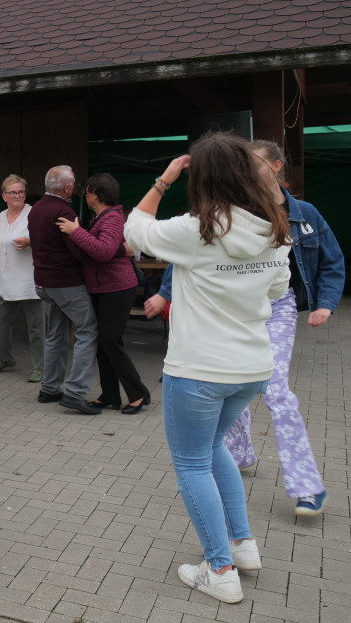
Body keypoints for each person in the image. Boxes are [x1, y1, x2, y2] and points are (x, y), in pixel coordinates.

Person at [124, 132, 290, 603]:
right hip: (251, 367)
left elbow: (134, 231)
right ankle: (242, 545)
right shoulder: (275, 227)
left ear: (205, 177)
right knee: (213, 448)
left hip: (198, 370)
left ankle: (219, 569)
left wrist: (162, 181)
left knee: (191, 464)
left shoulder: (196, 228)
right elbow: (278, 292)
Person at [220, 140, 343, 517]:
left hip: (278, 309)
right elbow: (197, 253)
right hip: (237, 311)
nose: (245, 169)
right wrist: (165, 293)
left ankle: (307, 487)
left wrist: (325, 304)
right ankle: (238, 453)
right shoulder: (234, 211)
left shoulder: (305, 214)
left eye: (253, 162)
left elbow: (332, 260)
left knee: (275, 390)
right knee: (234, 382)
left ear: (276, 165)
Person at [57, 173, 151, 414]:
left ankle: (138, 393)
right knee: (103, 343)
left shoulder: (111, 218)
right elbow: (110, 249)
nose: (84, 194)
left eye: (87, 190)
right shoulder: (103, 216)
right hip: (104, 287)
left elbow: (103, 252)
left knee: (110, 341)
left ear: (95, 193)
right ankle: (109, 395)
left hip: (117, 288)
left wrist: (75, 231)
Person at [28, 165, 100, 414]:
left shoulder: (36, 208)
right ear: (68, 187)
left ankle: (49, 388)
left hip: (42, 281)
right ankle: (76, 392)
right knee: (88, 329)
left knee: (55, 335)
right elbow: (77, 251)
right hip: (65, 282)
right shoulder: (64, 212)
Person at [0, 176, 44, 383]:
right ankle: (4, 358)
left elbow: (48, 240)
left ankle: (40, 367)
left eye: (21, 192)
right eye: (13, 192)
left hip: (29, 280)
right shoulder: (0, 216)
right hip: (4, 280)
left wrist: (31, 241)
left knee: (36, 327)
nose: (17, 196)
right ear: (4, 196)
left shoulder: (34, 214)